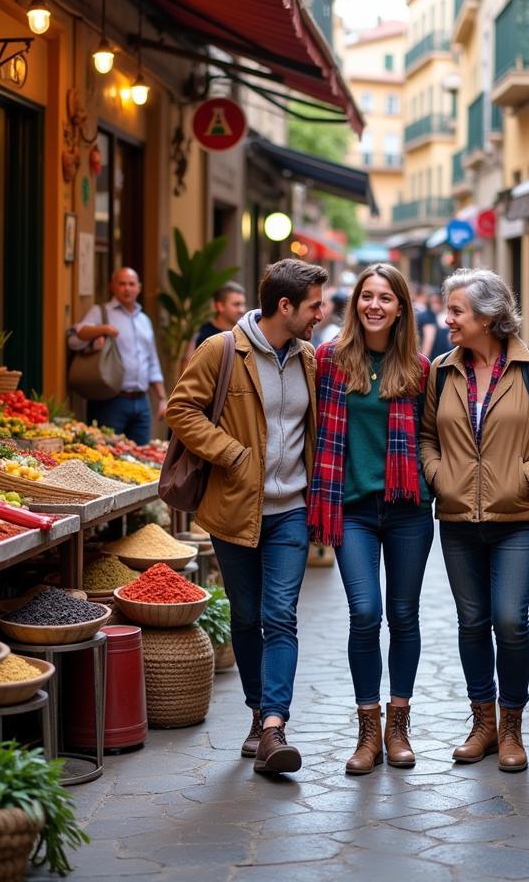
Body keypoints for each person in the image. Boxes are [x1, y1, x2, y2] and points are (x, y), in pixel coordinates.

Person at [165, 258, 328, 775]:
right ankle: (258, 715)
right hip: (234, 508)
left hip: (291, 510)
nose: (321, 315)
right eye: (314, 306)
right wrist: (232, 453)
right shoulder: (221, 350)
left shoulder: (308, 358)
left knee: (281, 615)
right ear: (285, 306)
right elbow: (181, 409)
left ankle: (275, 724)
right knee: (247, 615)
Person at [421, 269, 529, 772]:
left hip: (516, 516)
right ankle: (483, 723)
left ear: (487, 317)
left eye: (456, 311)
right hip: (457, 518)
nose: (446, 319)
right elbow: (427, 436)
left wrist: (527, 477)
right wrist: (438, 475)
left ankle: (512, 726)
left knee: (511, 622)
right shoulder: (441, 372)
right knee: (473, 622)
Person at [308, 264, 434, 775]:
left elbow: (433, 436)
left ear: (401, 307)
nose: (374, 305)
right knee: (365, 613)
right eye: (367, 296)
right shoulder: (328, 360)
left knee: (403, 616)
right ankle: (367, 731)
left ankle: (398, 726)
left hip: (408, 511)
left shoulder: (421, 369)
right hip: (352, 509)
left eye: (385, 297)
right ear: (355, 303)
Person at [69, 267, 167, 445]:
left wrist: (161, 398)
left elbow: (152, 361)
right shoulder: (101, 312)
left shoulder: (144, 320)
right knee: (108, 456)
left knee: (141, 459)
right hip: (111, 400)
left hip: (142, 402)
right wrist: (103, 329)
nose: (127, 288)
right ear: (112, 287)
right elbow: (74, 340)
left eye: (131, 284)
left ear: (139, 287)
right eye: (122, 284)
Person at [195, 282, 248, 348]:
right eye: (236, 304)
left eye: (243, 304)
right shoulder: (206, 338)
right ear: (220, 306)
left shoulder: (246, 332)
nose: (242, 310)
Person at [428, 290, 452, 361]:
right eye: (432, 302)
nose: (434, 305)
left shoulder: (445, 317)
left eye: (437, 302)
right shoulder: (430, 316)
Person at [415, 286, 439, 358]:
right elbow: (428, 341)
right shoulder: (428, 316)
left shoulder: (430, 315)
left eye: (438, 302)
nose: (436, 305)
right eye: (433, 302)